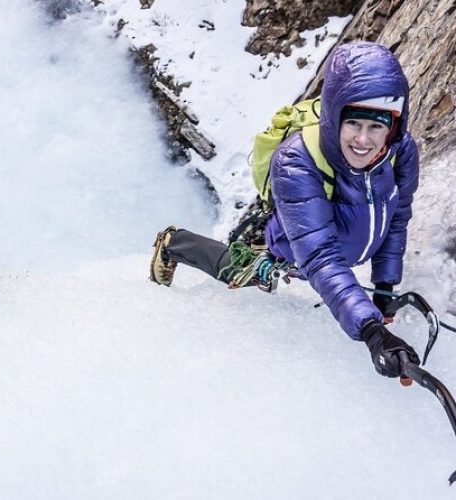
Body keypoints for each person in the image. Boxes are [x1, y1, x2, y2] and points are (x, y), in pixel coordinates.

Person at [149, 42, 421, 378]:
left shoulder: (400, 151)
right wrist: (371, 330)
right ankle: (173, 243)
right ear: (335, 118)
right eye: (354, 124)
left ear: (392, 127)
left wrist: (384, 287)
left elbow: (397, 217)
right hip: (288, 251)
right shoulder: (297, 160)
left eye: (376, 127)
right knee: (235, 272)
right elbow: (319, 254)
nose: (364, 140)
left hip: (330, 257)